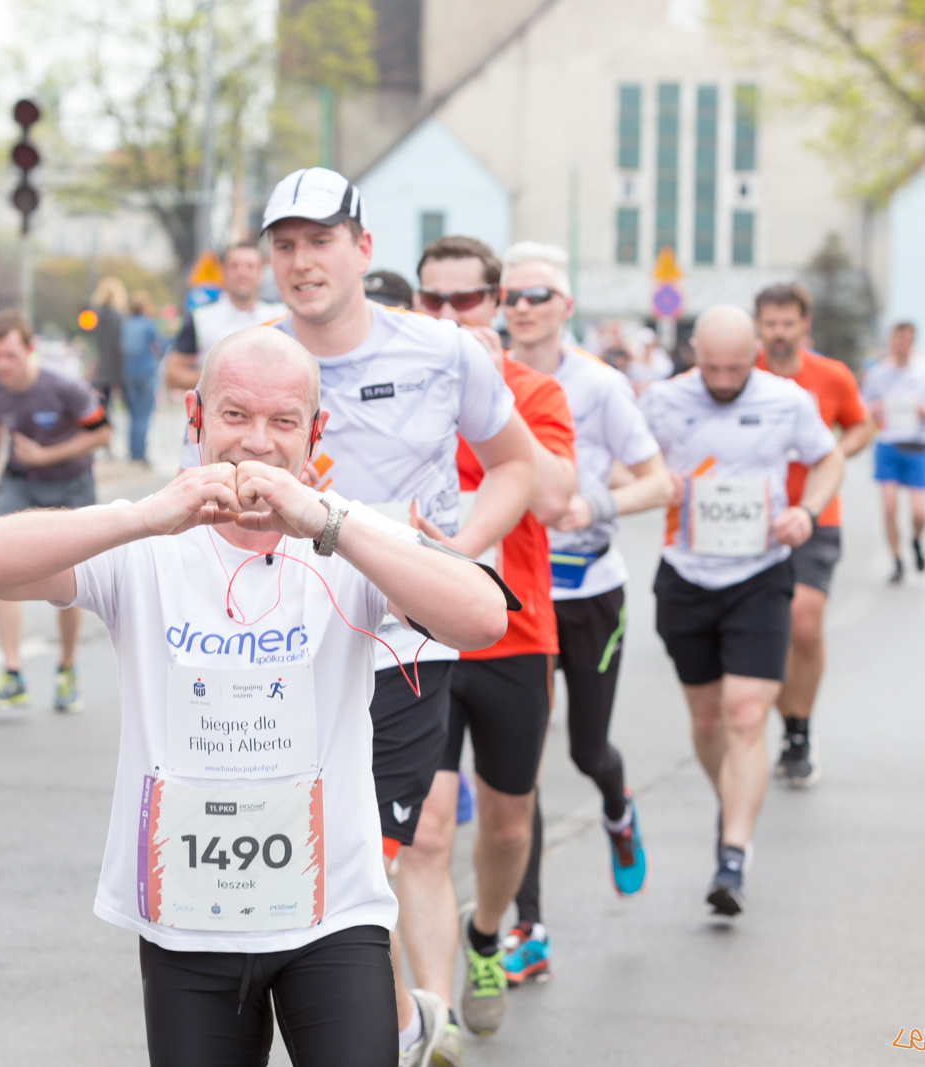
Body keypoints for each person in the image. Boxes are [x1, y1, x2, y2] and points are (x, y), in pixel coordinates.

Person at [0, 327, 510, 1067]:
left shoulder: (345, 536)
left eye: (284, 422)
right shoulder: (149, 542)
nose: (258, 442)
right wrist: (142, 515)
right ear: (196, 416)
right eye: (235, 415)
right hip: (190, 916)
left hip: (331, 913)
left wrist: (329, 524)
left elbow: (483, 618)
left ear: (315, 431)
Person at [261, 167, 547, 1067]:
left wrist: (462, 552)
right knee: (312, 870)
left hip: (403, 648)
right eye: (285, 245)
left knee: (368, 860)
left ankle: (371, 1038)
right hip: (284, 649)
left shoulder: (443, 350)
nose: (303, 261)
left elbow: (515, 464)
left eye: (320, 241)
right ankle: (400, 1027)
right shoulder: (257, 357)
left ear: (363, 247)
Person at [399, 236, 577, 1043]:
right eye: (429, 301)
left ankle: (484, 933)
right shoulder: (397, 391)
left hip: (514, 637)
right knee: (428, 830)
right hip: (418, 640)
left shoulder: (532, 389)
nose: (445, 315)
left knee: (508, 825)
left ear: (496, 305)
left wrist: (489, 390)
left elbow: (553, 496)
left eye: (463, 300)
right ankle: (433, 1017)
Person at [499, 242, 673, 984]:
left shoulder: (600, 387)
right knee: (520, 770)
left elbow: (660, 482)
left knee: (586, 750)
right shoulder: (483, 379)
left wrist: (593, 504)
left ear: (566, 307)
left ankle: (616, 806)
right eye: (512, 294)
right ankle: (529, 927)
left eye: (540, 294)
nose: (524, 306)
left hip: (590, 590)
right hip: (516, 598)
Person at [640, 305, 843, 916]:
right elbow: (629, 458)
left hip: (759, 573)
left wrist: (805, 512)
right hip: (686, 573)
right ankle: (734, 803)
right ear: (692, 353)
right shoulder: (662, 400)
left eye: (736, 367)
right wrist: (654, 482)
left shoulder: (787, 400)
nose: (723, 379)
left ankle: (733, 852)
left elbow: (828, 458)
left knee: (747, 715)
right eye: (711, 367)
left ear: (756, 351)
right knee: (708, 723)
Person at [753, 283, 874, 788]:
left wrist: (833, 455)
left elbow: (861, 426)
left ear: (804, 325)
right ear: (758, 325)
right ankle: (787, 725)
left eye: (788, 324)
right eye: (770, 324)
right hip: (754, 522)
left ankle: (799, 730)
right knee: (773, 626)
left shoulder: (830, 376)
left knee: (804, 620)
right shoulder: (744, 373)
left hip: (817, 514)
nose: (779, 334)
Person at [0, 310, 111, 713]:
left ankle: (67, 668)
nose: (2, 365)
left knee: (68, 580)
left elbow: (102, 433)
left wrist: (49, 453)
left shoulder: (65, 387)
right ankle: (13, 674)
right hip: (20, 481)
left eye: (10, 355)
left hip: (71, 483)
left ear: (30, 350)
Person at [860, 322, 925, 583]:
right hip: (888, 444)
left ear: (913, 342)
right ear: (890, 341)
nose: (900, 345)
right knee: (889, 506)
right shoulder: (878, 373)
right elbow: (863, 407)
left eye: (906, 340)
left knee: (919, 512)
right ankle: (897, 560)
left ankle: (916, 540)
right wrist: (874, 410)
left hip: (917, 445)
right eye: (896, 340)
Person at [163, 242, 283, 393]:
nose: (242, 272)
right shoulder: (200, 317)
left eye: (249, 266)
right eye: (234, 266)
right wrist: (218, 378)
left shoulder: (281, 315)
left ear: (261, 272)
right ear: (223, 270)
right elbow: (171, 375)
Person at [120, 290, 160, 466]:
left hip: (128, 371)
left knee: (133, 414)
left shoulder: (125, 324)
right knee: (144, 414)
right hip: (145, 370)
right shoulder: (147, 324)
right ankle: (140, 454)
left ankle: (132, 451)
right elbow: (157, 346)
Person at [89, 276, 128, 410]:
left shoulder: (94, 317)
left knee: (102, 406)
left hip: (101, 365)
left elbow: (91, 342)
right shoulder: (120, 318)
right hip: (119, 366)